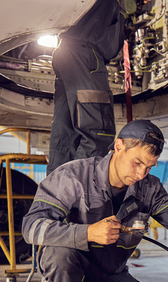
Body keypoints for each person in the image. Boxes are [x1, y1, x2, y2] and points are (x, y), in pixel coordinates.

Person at [22, 119, 168, 282]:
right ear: (119, 146)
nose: (141, 173)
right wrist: (87, 233)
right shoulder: (73, 177)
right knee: (58, 253)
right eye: (137, 162)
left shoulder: (149, 188)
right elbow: (31, 227)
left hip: (111, 273)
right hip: (73, 266)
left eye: (149, 166)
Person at [47, 0, 125, 174]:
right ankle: (77, 192)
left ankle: (56, 196)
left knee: (66, 138)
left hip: (70, 49)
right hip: (86, 53)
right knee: (98, 133)